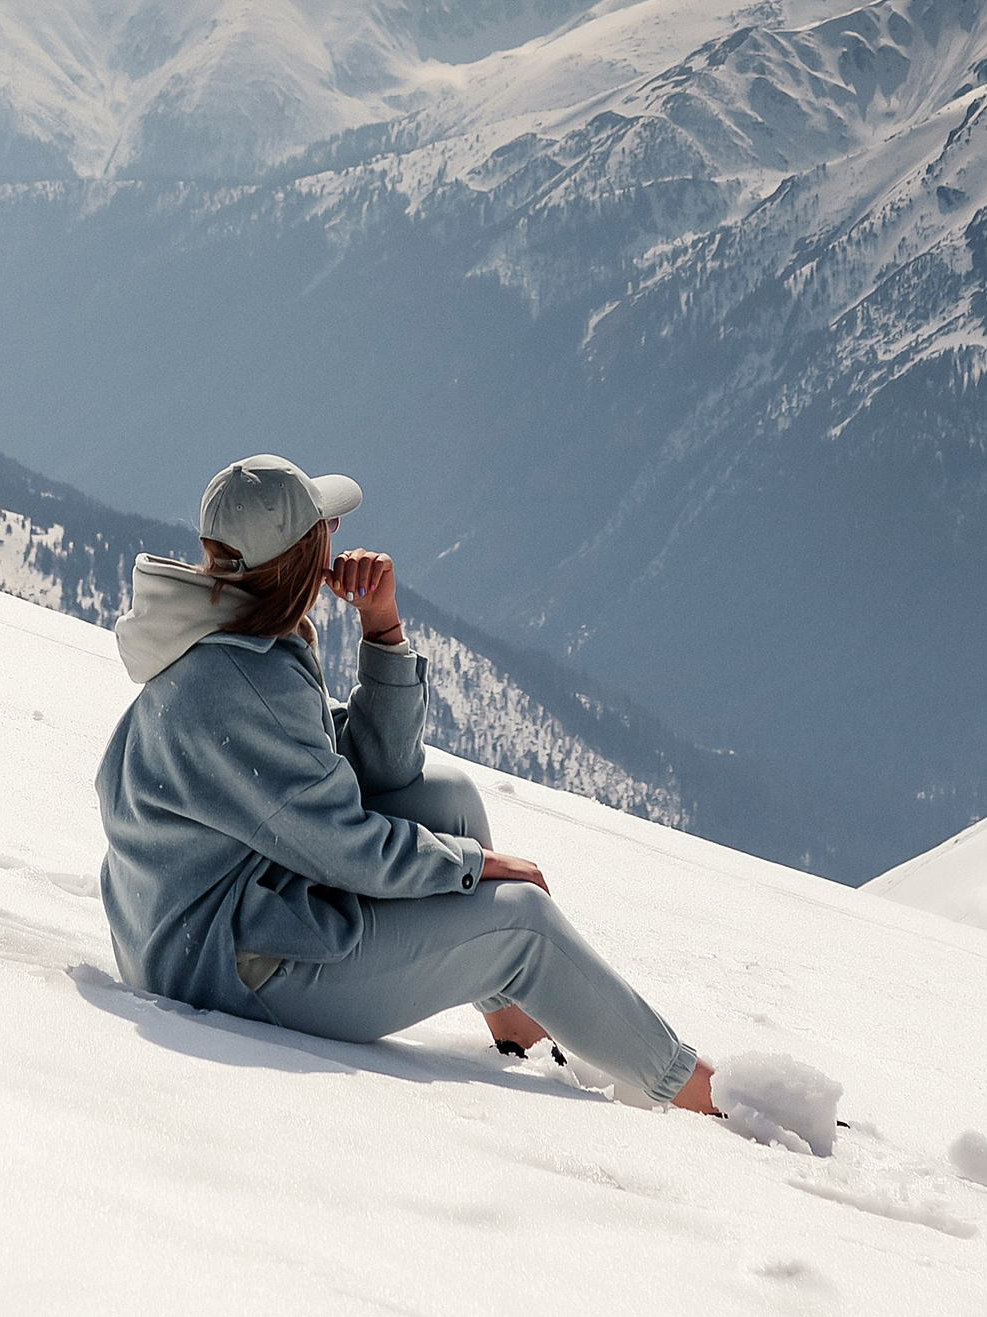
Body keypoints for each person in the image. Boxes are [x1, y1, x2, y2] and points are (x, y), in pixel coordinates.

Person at [95, 453, 718, 1114]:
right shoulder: (246, 681)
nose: (337, 532)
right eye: (325, 525)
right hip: (228, 968)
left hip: (214, 918)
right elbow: (345, 846)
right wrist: (477, 866)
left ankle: (513, 1018)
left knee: (448, 801)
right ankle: (702, 1093)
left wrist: (381, 628)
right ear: (304, 552)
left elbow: (373, 773)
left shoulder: (226, 638)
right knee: (523, 924)